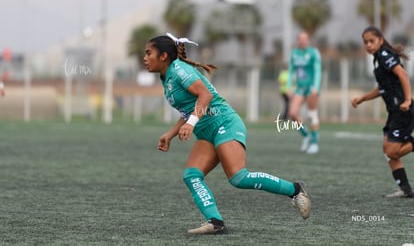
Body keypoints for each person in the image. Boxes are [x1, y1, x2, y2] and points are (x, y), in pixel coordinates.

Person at [143, 33, 311, 234]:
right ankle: (215, 222)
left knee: (238, 178)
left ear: (163, 56)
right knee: (191, 175)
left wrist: (192, 123)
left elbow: (204, 95)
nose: (144, 58)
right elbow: (187, 109)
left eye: (148, 53)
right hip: (206, 131)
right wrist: (170, 133)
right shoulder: (166, 78)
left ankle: (295, 190)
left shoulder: (178, 69)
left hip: (224, 121)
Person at [352, 26, 414, 198]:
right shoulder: (378, 59)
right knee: (388, 151)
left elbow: (402, 75)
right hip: (394, 112)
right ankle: (406, 190)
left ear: (380, 39)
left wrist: (408, 100)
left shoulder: (385, 55)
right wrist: (363, 98)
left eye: (372, 41)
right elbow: (383, 88)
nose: (369, 45)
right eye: (366, 42)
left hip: (403, 110)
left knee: (392, 151)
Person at [287, 31, 322, 154]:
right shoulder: (294, 53)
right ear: (298, 40)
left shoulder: (313, 53)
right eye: (300, 39)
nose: (303, 41)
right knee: (292, 113)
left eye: (305, 38)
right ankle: (306, 135)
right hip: (300, 88)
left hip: (311, 88)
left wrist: (316, 87)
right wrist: (288, 86)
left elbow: (318, 70)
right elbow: (291, 71)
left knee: (312, 114)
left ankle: (314, 143)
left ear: (308, 40)